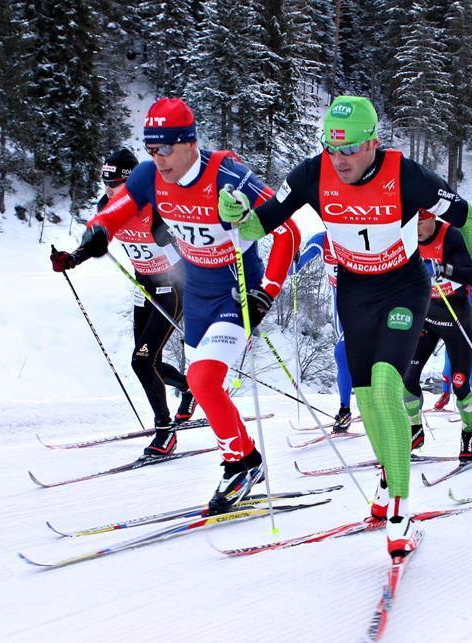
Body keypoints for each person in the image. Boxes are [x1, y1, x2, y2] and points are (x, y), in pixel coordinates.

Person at [218, 95, 472, 558]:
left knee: (388, 385)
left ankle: (400, 509)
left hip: (404, 286)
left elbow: (469, 222)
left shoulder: (405, 175)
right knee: (369, 399)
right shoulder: (312, 174)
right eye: (332, 148)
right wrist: (237, 216)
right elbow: (258, 227)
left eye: (349, 148)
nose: (340, 158)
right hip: (355, 291)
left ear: (374, 142)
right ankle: (390, 473)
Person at [76, 98, 302, 514]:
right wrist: (96, 232)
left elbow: (288, 230)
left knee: (200, 378)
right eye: (151, 149)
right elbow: (116, 209)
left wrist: (267, 291)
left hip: (236, 287)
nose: (157, 159)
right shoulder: (149, 176)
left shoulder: (228, 175)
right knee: (206, 383)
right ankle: (247, 460)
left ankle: (239, 464)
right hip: (196, 289)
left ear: (190, 143)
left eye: (164, 148)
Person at [51, 148, 195, 456]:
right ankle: (188, 388)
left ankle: (165, 430)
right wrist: (72, 258)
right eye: (105, 183)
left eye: (115, 184)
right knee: (147, 361)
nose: (109, 191)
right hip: (143, 287)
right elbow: (97, 238)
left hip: (172, 288)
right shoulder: (107, 205)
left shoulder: (154, 204)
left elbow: (189, 244)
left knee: (141, 361)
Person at [403, 210, 472, 460]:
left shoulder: (452, 236)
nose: (416, 227)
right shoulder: (407, 236)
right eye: (412, 222)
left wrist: (444, 269)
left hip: (455, 315)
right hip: (428, 316)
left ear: (433, 219)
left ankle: (468, 432)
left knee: (460, 384)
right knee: (408, 378)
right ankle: (415, 430)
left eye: (421, 221)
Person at [289, 230, 354, 432]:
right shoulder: (322, 239)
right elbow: (293, 270)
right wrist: (291, 254)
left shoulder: (362, 231)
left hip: (373, 302)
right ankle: (345, 410)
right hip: (343, 307)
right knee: (342, 354)